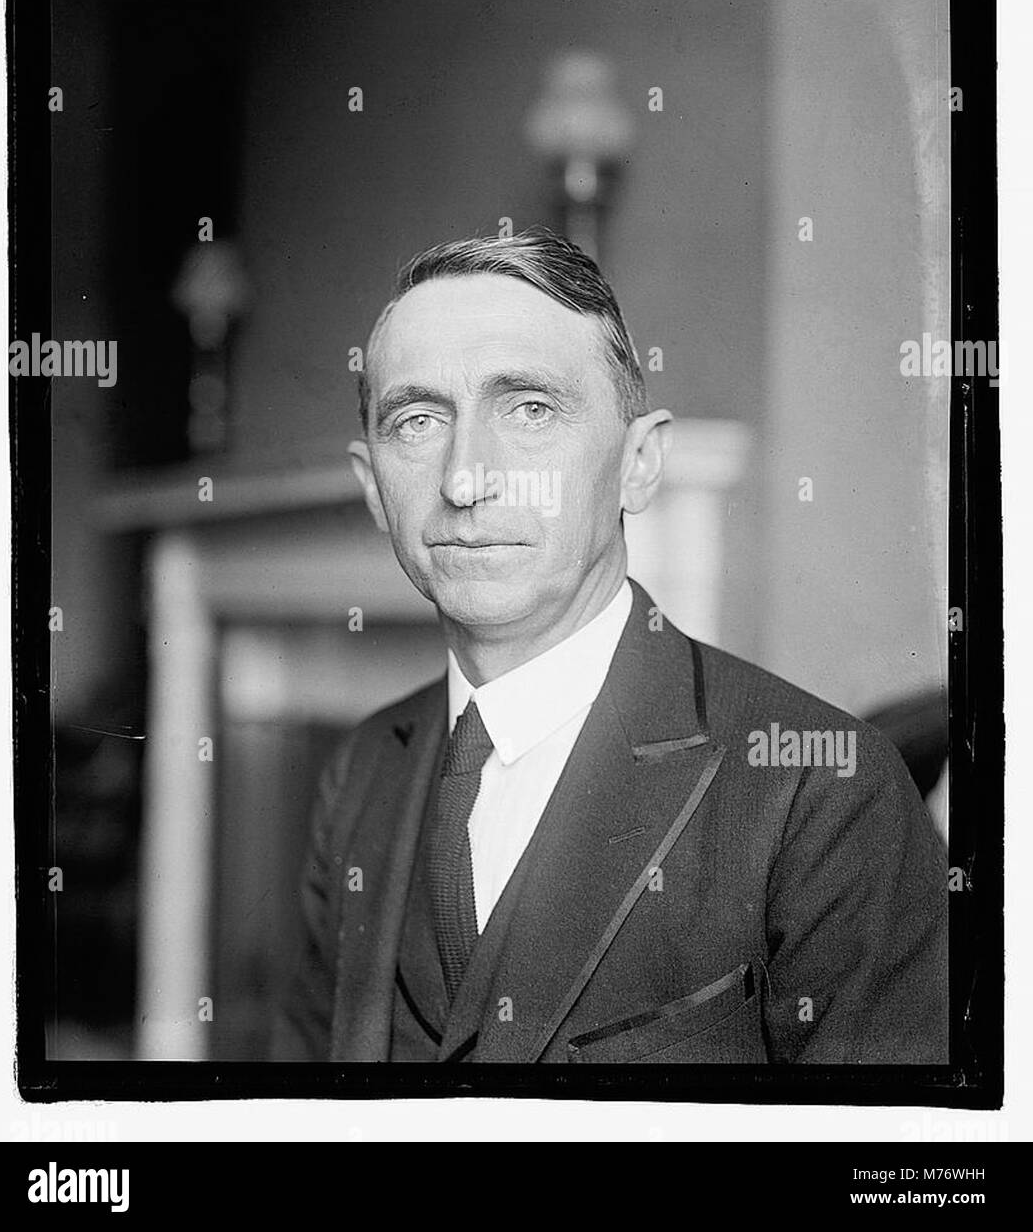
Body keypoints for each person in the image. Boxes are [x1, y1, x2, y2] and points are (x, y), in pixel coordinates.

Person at [274, 227, 947, 1064]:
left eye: (529, 409)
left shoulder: (825, 792)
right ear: (374, 487)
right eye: (416, 420)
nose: (464, 479)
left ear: (638, 463)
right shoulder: (360, 770)